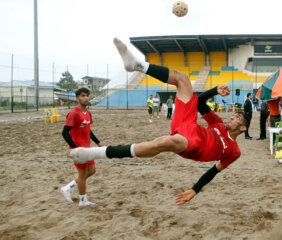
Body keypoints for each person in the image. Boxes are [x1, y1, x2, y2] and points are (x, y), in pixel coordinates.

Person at [69, 38, 250, 206]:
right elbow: (200, 102)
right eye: (234, 115)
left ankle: (93, 153)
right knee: (183, 80)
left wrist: (195, 189)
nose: (233, 117)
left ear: (243, 128)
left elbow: (214, 170)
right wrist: (214, 90)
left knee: (164, 142)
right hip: (189, 125)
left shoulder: (234, 151)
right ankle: (138, 65)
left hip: (195, 145)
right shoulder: (217, 123)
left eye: (238, 118)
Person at [61, 88, 103, 207]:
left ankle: (67, 188)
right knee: (82, 175)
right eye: (83, 95)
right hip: (78, 151)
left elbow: (88, 130)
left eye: (87, 96)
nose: (86, 98)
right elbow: (64, 133)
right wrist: (75, 148)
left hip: (87, 149)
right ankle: (83, 201)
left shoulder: (88, 113)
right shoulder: (74, 113)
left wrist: (98, 142)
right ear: (77, 98)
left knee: (91, 171)